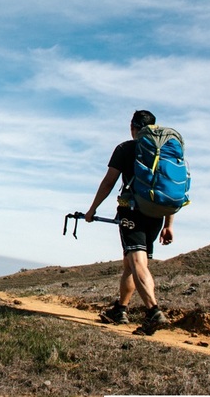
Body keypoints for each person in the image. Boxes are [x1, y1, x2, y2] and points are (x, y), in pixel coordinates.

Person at [85, 110, 173, 336]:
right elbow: (170, 192)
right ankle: (121, 309)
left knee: (137, 263)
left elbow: (108, 183)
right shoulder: (164, 153)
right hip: (156, 215)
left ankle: (153, 311)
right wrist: (168, 224)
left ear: (133, 127)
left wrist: (92, 209)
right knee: (129, 264)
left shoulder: (125, 149)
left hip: (132, 213)